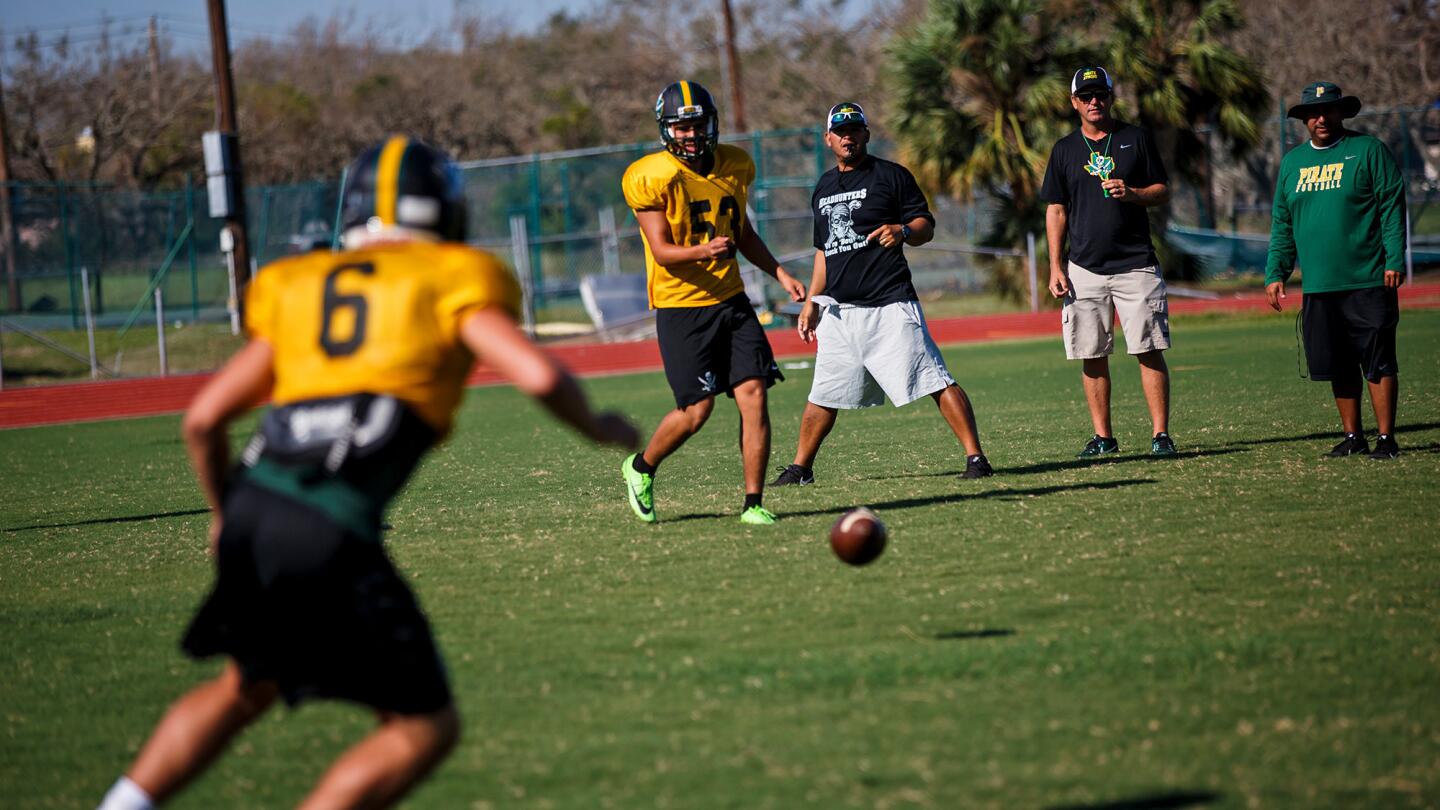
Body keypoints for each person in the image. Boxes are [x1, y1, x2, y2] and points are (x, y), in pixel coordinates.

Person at [96, 136, 638, 810]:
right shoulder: (454, 277)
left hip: (253, 507)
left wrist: (218, 514)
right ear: (441, 210)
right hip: (328, 523)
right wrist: (599, 428)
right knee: (423, 727)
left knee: (246, 687)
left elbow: (202, 421)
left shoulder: (298, 285)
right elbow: (535, 373)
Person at [771, 102, 991, 487]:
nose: (847, 136)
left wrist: (903, 231)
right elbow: (823, 251)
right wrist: (811, 303)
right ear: (828, 139)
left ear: (867, 135)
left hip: (890, 303)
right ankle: (800, 468)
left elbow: (926, 225)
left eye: (854, 129)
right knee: (823, 393)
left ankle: (976, 457)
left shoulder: (890, 176)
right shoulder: (822, 187)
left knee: (934, 379)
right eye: (839, 131)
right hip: (840, 311)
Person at [619, 80, 806, 525]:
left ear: (711, 123)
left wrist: (779, 272)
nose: (690, 134)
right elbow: (662, 251)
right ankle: (641, 467)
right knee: (696, 412)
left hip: (731, 299)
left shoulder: (735, 164)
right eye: (680, 127)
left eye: (696, 124)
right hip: (680, 305)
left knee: (754, 393)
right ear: (666, 131)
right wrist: (704, 252)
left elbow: (741, 232)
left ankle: (753, 504)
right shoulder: (650, 176)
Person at [1264, 81, 1407, 459]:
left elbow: (1392, 207)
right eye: (1312, 113)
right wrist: (1275, 272)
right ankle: (1353, 436)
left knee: (1377, 359)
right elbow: (1282, 222)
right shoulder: (1293, 163)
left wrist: (1394, 258)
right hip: (1319, 284)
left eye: (1328, 110)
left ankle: (1386, 438)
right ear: (1304, 120)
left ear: (1342, 112)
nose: (1321, 118)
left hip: (1367, 278)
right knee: (1337, 362)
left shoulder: (1368, 151)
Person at [1041, 66, 1177, 458]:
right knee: (1092, 353)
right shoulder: (1064, 149)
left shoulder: (1135, 138)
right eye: (1085, 96)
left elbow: (1162, 190)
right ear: (1074, 103)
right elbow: (1056, 209)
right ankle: (1104, 438)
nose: (1093, 101)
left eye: (1100, 94)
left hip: (1136, 263)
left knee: (1149, 348)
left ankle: (1160, 435)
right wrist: (1056, 266)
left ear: (1111, 97)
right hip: (1084, 268)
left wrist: (1134, 193)